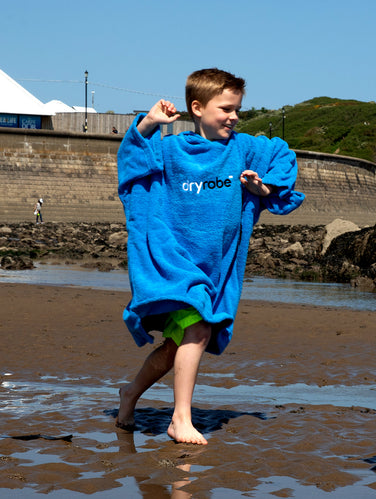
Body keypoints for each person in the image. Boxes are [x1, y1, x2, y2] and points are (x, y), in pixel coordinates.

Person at [116, 68, 305, 445]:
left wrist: (264, 187)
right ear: (197, 107)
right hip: (174, 264)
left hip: (216, 268)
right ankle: (180, 419)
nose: (234, 116)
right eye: (226, 109)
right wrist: (149, 123)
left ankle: (129, 396)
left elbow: (282, 154)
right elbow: (132, 163)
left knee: (176, 346)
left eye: (237, 109)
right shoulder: (171, 150)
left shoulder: (244, 149)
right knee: (199, 328)